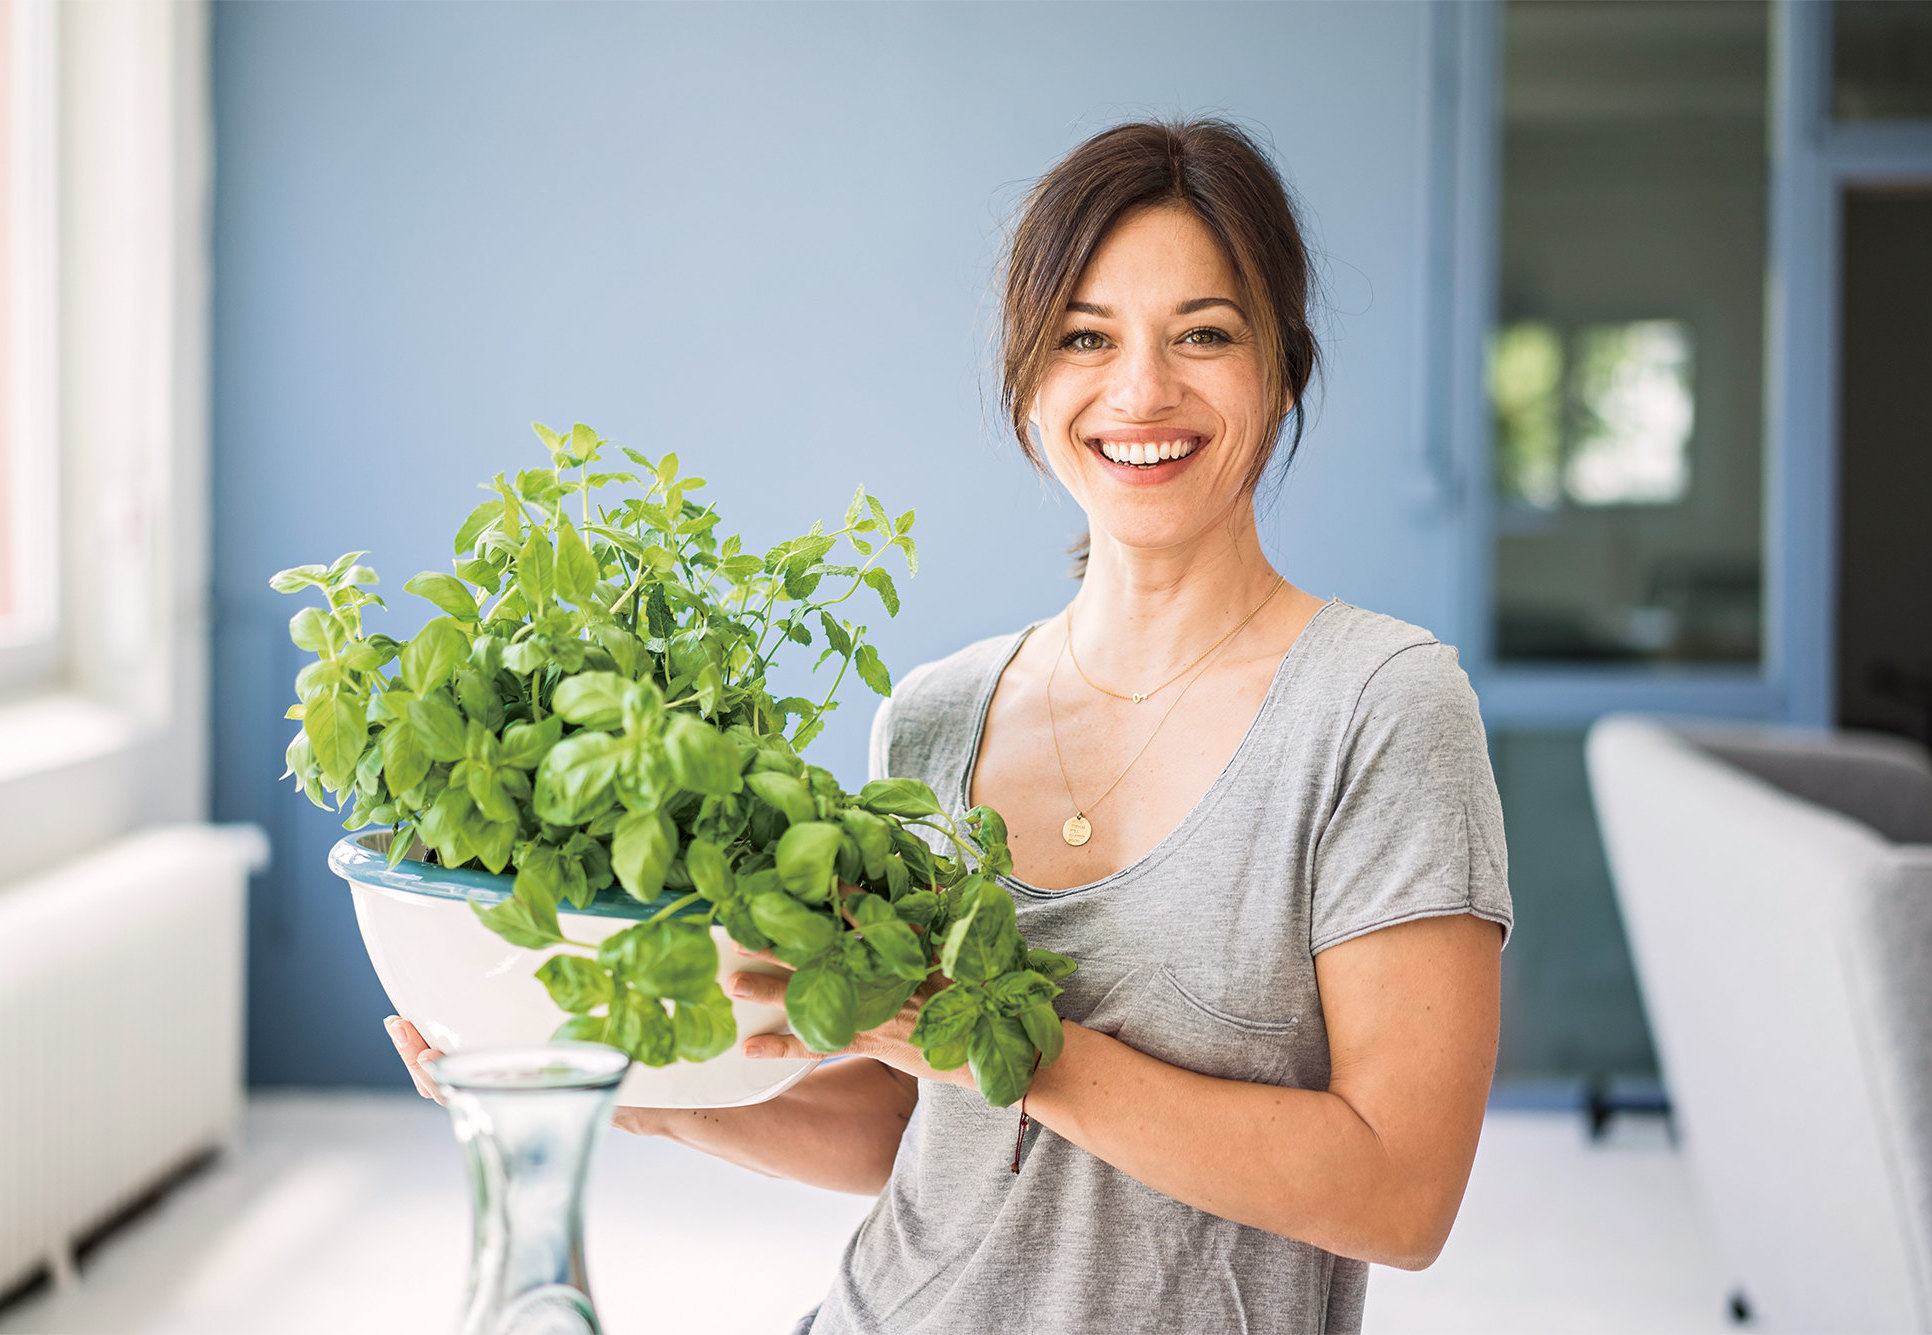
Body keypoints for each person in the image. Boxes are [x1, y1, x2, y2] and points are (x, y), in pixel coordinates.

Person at [389, 116, 1511, 1335]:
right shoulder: (935, 716)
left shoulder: (1380, 708)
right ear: (1029, 382)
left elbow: (1403, 1193)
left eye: (1204, 334)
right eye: (1085, 337)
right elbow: (909, 1128)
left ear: (1283, 368)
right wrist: (625, 1093)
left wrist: (1010, 1043)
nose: (1142, 390)